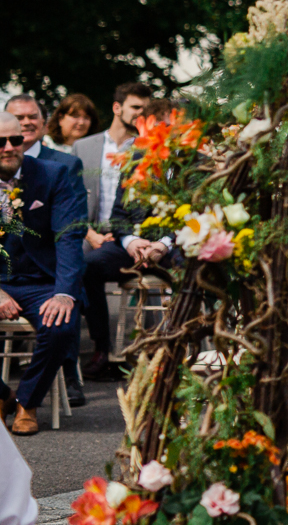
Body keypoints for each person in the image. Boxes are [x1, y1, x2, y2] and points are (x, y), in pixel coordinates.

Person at [71, 84, 167, 381]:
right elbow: (74, 199)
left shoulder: (148, 149)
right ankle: (100, 349)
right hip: (98, 235)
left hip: (147, 237)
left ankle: (158, 349)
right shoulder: (84, 147)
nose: (142, 115)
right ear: (117, 107)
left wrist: (153, 241)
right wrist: (98, 236)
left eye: (146, 111)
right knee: (84, 267)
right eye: (136, 108)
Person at [0, 109, 86, 436]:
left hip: (43, 281)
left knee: (62, 325)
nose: (9, 147)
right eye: (1, 141)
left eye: (16, 139)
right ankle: (3, 395)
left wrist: (64, 293)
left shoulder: (53, 175)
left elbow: (69, 237)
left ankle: (27, 401)